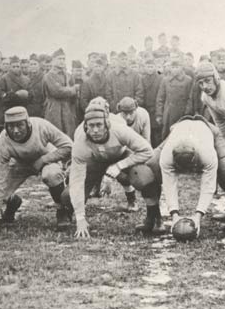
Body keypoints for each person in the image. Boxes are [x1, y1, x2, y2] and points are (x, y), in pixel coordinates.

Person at [63, 101, 162, 237]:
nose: (95, 130)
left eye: (99, 125)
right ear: (85, 126)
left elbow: (147, 151)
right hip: (95, 162)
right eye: (91, 126)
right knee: (68, 196)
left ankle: (154, 217)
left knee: (143, 176)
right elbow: (77, 180)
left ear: (107, 124)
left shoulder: (119, 129)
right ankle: (68, 215)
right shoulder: (80, 139)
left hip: (120, 156)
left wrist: (118, 166)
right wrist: (80, 218)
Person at [158, 116, 225, 237]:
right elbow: (169, 185)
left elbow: (208, 186)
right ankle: (153, 218)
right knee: (152, 166)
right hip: (178, 128)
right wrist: (174, 215)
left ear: (195, 157)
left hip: (209, 130)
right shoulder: (166, 155)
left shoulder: (206, 152)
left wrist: (198, 216)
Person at [0, 107, 73, 233]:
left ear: (28, 123)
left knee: (51, 175)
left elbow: (69, 146)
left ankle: (62, 210)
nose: (15, 131)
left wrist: (44, 160)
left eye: (19, 125)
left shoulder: (41, 126)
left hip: (47, 159)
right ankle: (13, 204)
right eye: (10, 126)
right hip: (20, 164)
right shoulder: (3, 140)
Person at [155, 58, 193, 140]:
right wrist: (159, 114)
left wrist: (187, 113)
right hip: (168, 113)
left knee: (182, 136)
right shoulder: (165, 80)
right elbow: (160, 99)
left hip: (182, 114)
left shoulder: (188, 80)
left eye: (177, 67)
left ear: (181, 68)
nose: (174, 69)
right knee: (167, 136)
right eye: (173, 67)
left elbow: (190, 98)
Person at [42, 58, 78, 137]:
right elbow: (57, 91)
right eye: (59, 59)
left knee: (69, 132)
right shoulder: (49, 76)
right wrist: (73, 89)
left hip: (67, 108)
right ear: (53, 61)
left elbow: (73, 94)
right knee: (55, 132)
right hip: (54, 108)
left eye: (63, 59)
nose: (62, 61)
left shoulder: (68, 75)